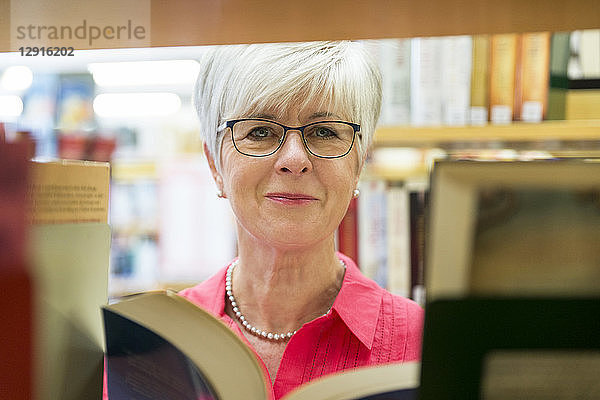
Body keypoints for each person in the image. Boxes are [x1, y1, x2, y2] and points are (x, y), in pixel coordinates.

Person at [177, 41, 424, 399]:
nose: (294, 159)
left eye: (324, 131)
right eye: (259, 131)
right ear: (215, 164)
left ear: (359, 165)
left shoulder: (424, 345)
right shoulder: (155, 341)